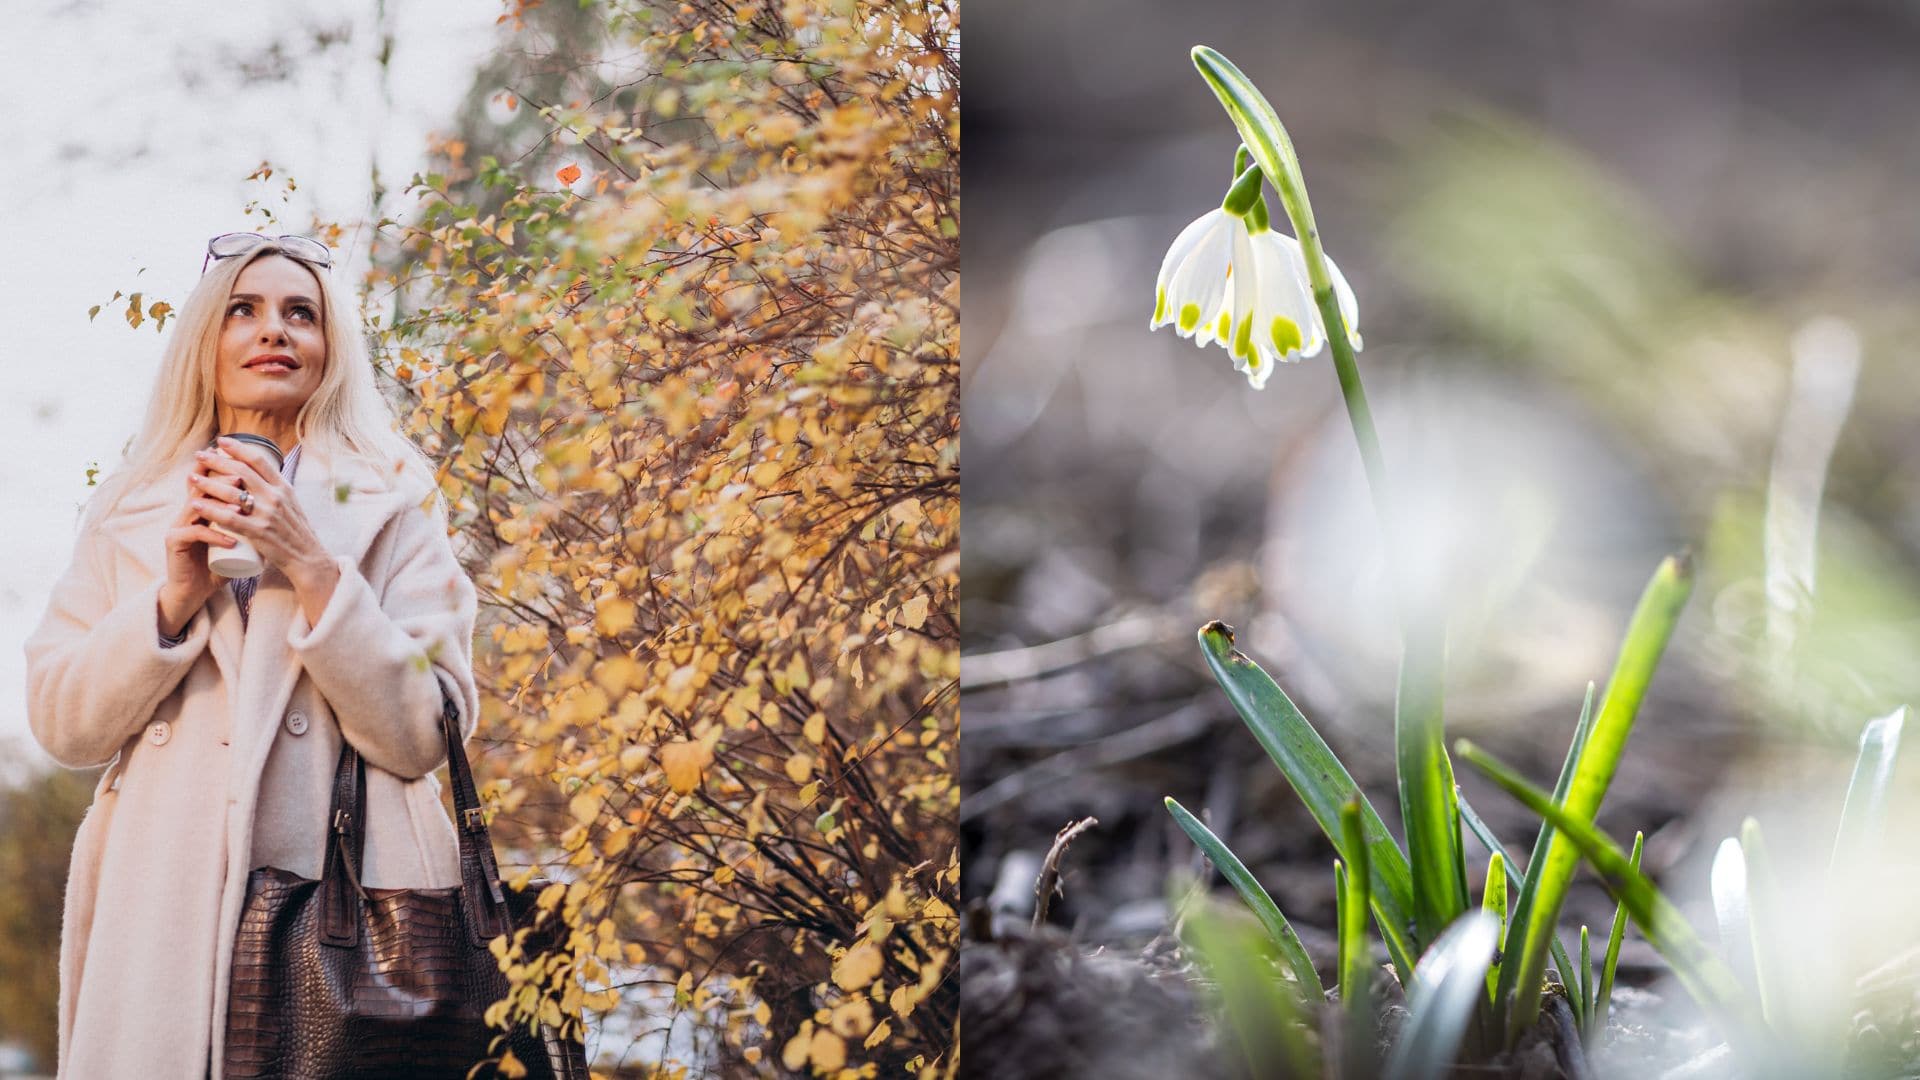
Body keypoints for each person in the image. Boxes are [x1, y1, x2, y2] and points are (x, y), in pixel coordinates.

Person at [23, 234, 481, 1079]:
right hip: (161, 919)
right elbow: (62, 723)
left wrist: (312, 566)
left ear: (329, 350)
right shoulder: (131, 507)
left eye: (300, 313)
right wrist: (169, 601)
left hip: (347, 924)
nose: (274, 330)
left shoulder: (394, 505)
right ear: (208, 341)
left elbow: (425, 737)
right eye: (245, 309)